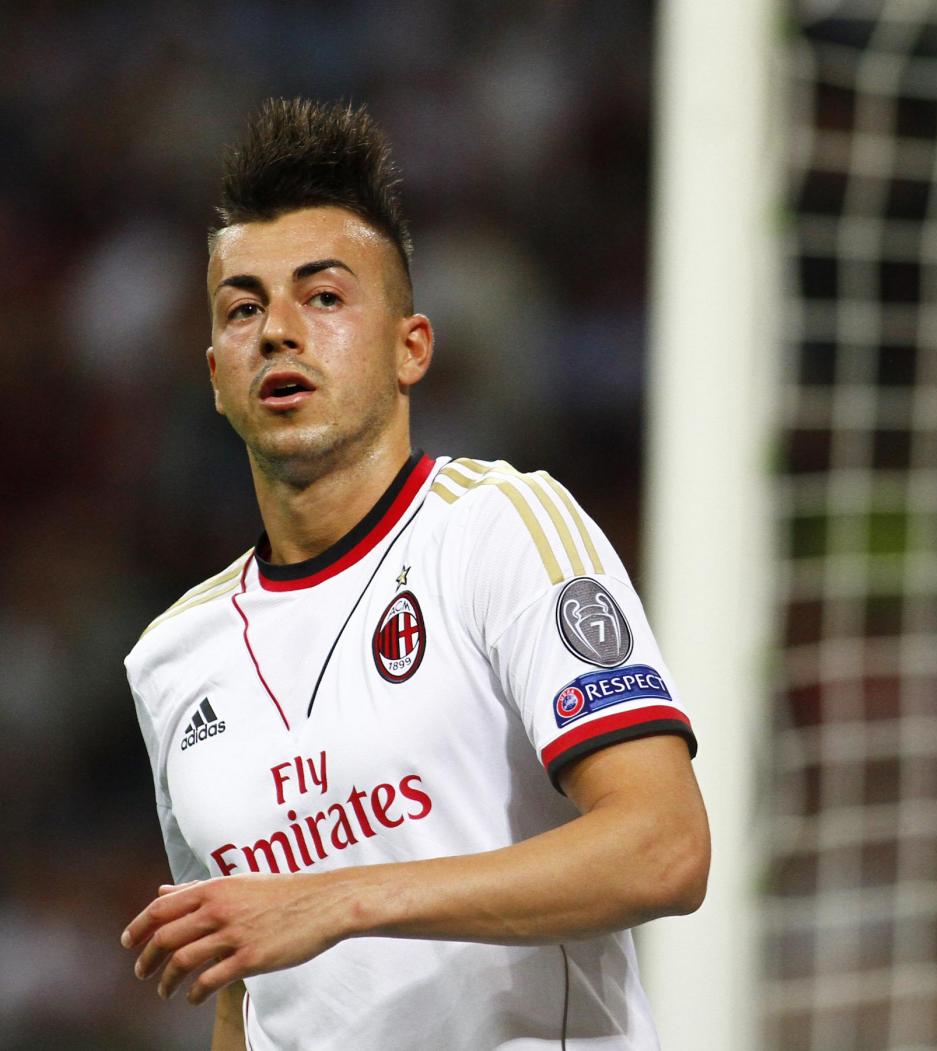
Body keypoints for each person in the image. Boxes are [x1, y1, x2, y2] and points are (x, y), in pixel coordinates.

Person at [120, 98, 708, 1051]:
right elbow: (243, 985)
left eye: (323, 297)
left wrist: (338, 899)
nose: (278, 331)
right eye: (243, 308)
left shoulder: (498, 528)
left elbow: (665, 847)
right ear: (218, 373)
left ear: (411, 348)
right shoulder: (172, 658)